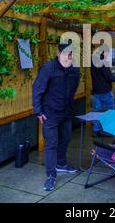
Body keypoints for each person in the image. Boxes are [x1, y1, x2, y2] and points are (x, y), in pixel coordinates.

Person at [32, 42, 80, 191]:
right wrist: (38, 111)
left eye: (71, 54)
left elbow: (73, 88)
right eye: (66, 54)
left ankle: (61, 164)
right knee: (51, 143)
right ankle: (51, 175)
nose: (69, 57)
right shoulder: (48, 68)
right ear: (58, 54)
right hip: (50, 114)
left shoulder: (74, 70)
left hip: (66, 113)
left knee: (65, 139)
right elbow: (37, 89)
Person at [90, 54, 115, 137]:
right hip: (105, 91)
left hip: (96, 91)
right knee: (110, 111)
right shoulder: (104, 63)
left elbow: (101, 75)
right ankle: (108, 131)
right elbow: (109, 77)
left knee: (97, 111)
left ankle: (96, 130)